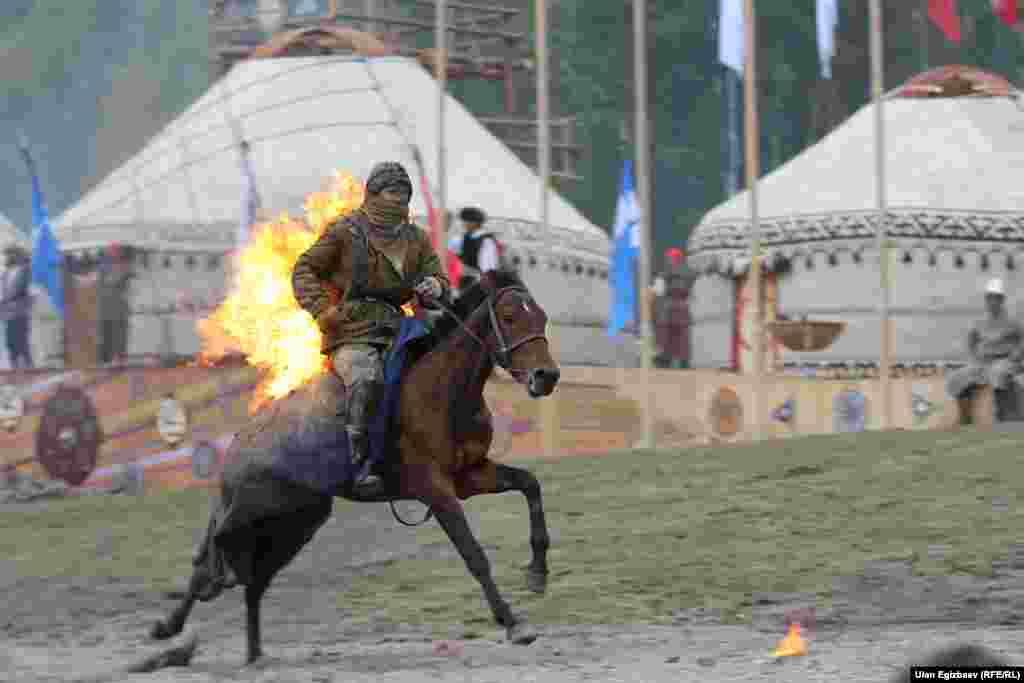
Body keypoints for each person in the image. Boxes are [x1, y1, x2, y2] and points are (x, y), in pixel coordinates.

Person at [291, 161, 450, 496]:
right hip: (351, 330)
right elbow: (304, 269)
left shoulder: (416, 238)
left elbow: (439, 277)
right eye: (392, 191)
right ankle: (359, 467)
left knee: (442, 372)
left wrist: (435, 286)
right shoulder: (345, 231)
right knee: (366, 380)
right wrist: (322, 310)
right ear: (373, 193)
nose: (399, 198)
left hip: (401, 328)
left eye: (404, 193)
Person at [946, 277, 1024, 423]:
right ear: (986, 300)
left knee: (998, 374)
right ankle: (965, 418)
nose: (992, 301)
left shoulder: (1013, 320)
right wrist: (974, 359)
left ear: (1002, 300)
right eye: (989, 298)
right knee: (957, 378)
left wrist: (1017, 355)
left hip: (1006, 361)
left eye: (996, 298)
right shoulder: (979, 321)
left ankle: (1003, 418)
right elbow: (971, 341)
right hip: (983, 362)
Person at [98, 244, 134, 366]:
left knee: (119, 335)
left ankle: (118, 359)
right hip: (105, 308)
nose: (109, 252)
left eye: (112, 250)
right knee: (106, 335)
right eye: (109, 250)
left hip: (119, 309)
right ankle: (106, 360)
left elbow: (114, 281)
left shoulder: (125, 266)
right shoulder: (103, 267)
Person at [449, 206, 500, 292]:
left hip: (478, 283)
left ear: (474, 223)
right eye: (463, 221)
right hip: (464, 281)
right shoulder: (465, 237)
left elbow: (488, 268)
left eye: (466, 221)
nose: (463, 224)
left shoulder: (486, 241)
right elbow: (453, 251)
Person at [0, 245, 34, 369]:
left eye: (10, 254)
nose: (7, 257)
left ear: (18, 255)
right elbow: (4, 293)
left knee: (22, 342)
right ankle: (14, 368)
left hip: (20, 312)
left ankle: (29, 367)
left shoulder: (26, 270)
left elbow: (29, 291)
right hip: (8, 314)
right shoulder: (5, 274)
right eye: (7, 254)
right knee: (10, 343)